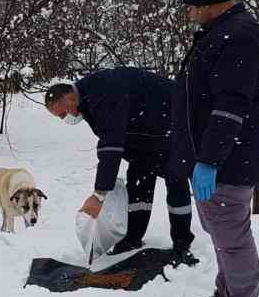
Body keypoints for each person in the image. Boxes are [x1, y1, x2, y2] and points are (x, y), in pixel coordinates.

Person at [171, 0, 259, 297]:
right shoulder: (224, 31)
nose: (189, 13)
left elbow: (231, 104)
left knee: (231, 235)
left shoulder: (239, 36)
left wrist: (210, 159)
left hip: (230, 156)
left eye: (192, 6)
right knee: (220, 229)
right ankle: (227, 292)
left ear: (210, 2)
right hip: (221, 154)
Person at [45, 68, 198, 266]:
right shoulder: (87, 100)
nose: (64, 118)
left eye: (63, 113)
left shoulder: (101, 92)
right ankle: (133, 238)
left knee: (175, 178)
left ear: (71, 97)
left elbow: (110, 145)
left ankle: (182, 241)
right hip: (144, 134)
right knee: (138, 178)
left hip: (173, 123)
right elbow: (113, 137)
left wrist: (99, 194)